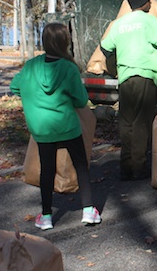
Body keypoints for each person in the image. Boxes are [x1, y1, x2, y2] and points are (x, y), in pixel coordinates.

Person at [10, 22, 101, 230]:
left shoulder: (31, 66)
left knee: (47, 170)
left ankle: (46, 216)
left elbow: (15, 86)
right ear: (65, 42)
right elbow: (80, 101)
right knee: (81, 166)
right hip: (67, 125)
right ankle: (88, 211)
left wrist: (33, 96)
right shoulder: (68, 68)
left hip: (41, 129)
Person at [100, 0, 157, 181]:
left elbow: (105, 48)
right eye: (149, 1)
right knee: (141, 123)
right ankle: (139, 167)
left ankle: (126, 167)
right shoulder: (149, 21)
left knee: (126, 122)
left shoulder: (119, 24)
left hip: (125, 78)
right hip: (145, 77)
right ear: (145, 3)